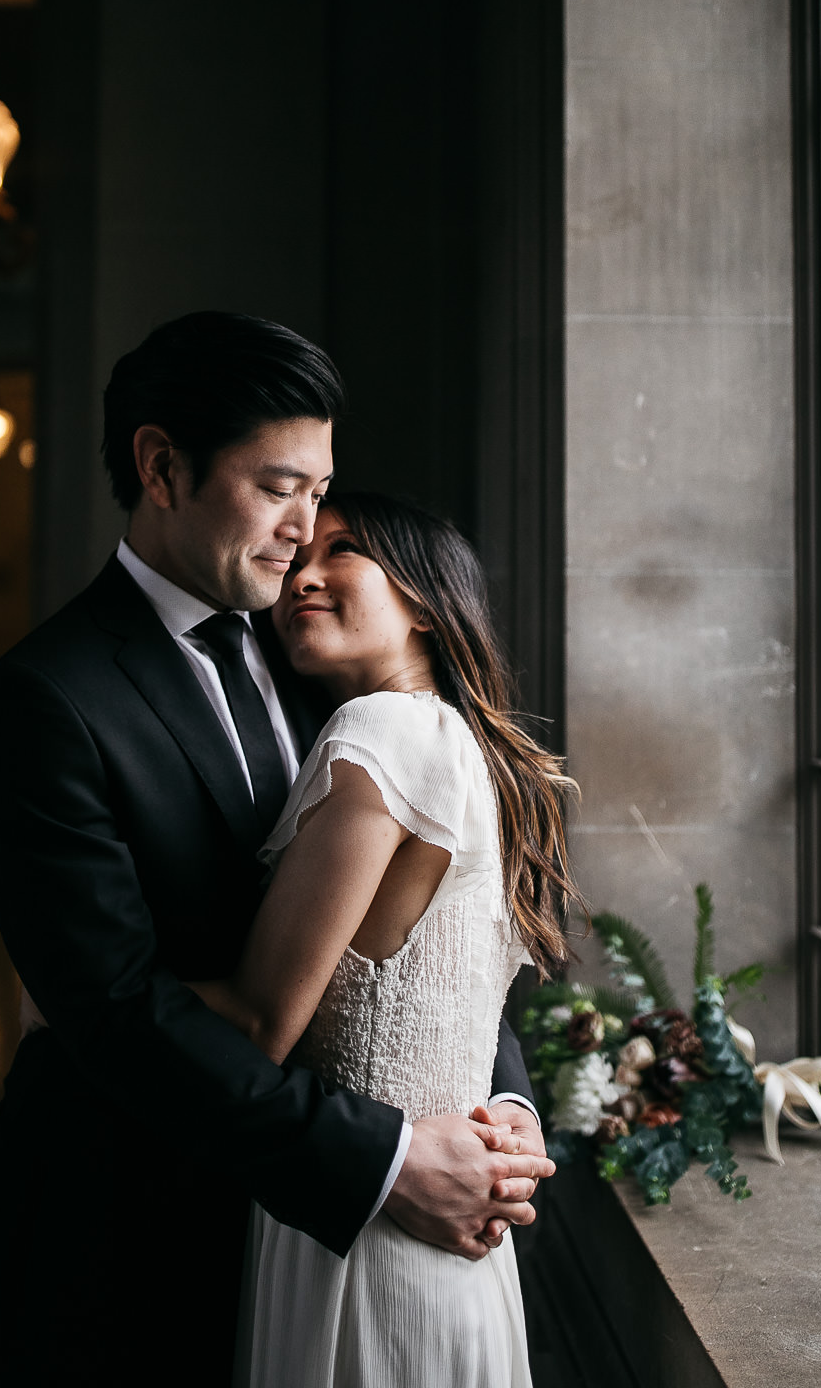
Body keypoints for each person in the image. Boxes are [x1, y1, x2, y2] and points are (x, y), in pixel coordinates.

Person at [0, 311, 552, 1387]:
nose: (306, 534)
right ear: (162, 467)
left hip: (314, 1244)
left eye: (319, 494)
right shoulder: (43, 700)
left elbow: (423, 913)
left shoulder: (324, 646)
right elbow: (117, 1013)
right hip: (125, 1239)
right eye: (278, 487)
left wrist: (496, 1110)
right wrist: (387, 1161)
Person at [191, 490, 578, 1386]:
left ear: (426, 600)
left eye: (347, 552)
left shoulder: (377, 733)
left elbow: (258, 1021)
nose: (306, 576)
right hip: (451, 1238)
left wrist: (70, 999)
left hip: (365, 1227)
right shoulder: (476, 748)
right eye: (299, 558)